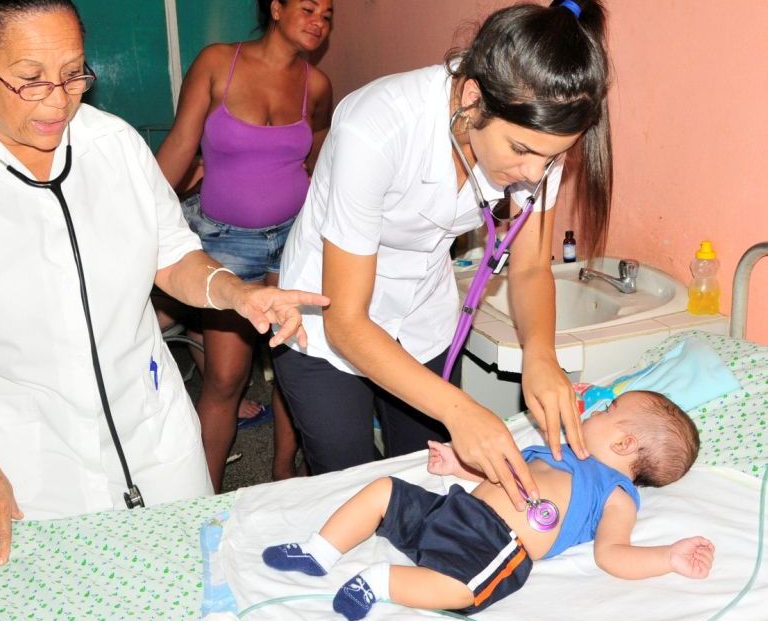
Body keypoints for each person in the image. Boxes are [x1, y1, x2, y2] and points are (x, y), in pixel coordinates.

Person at [0, 0, 327, 566]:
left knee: (182, 574)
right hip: (20, 448)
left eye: (73, 74)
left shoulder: (114, 145)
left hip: (150, 422)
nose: (59, 100)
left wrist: (238, 292)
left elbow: (174, 253)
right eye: (31, 81)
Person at [274, 0, 614, 509]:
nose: (535, 174)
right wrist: (460, 409)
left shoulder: (539, 137)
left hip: (422, 319)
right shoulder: (376, 128)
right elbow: (346, 321)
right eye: (521, 151)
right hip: (326, 322)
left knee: (431, 481)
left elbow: (528, 268)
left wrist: (540, 357)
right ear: (472, 97)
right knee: (350, 486)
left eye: (552, 158)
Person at [262, 390, 714, 619]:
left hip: (496, 544)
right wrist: (462, 469)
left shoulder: (616, 494)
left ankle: (380, 582)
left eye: (608, 409)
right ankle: (320, 550)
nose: (594, 410)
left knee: (469, 590)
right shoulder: (555, 451)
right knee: (384, 489)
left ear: (625, 442)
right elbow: (504, 475)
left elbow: (612, 553)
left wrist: (668, 557)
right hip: (454, 510)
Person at [155, 0, 333, 487]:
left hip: (294, 239)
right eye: (308, 8)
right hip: (228, 245)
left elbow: (315, 161)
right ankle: (203, 494)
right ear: (275, 8)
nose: (319, 21)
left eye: (328, 14)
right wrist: (139, 218)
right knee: (226, 379)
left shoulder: (316, 86)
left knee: (293, 368)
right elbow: (179, 146)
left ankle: (281, 469)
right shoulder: (218, 63)